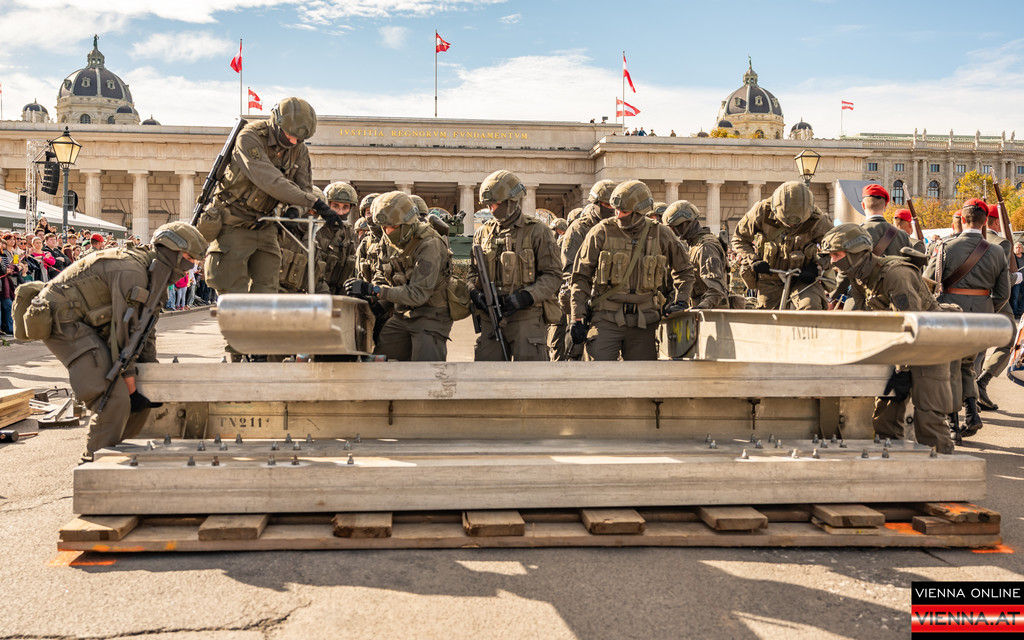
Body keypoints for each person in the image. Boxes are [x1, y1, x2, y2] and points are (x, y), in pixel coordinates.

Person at [28, 222, 207, 460]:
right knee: (113, 396)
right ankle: (95, 463)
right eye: (189, 258)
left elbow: (145, 329)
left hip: (93, 320)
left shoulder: (154, 274)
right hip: (64, 319)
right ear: (171, 252)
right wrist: (131, 387)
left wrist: (150, 373)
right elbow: (124, 333)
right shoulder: (132, 271)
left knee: (142, 390)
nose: (192, 265)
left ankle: (118, 455)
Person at [821, 223, 953, 454]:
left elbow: (912, 324)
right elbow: (864, 318)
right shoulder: (859, 275)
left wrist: (902, 370)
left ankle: (943, 468)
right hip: (899, 349)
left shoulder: (895, 275)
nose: (832, 262)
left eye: (836, 255)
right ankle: (892, 467)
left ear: (855, 253)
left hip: (929, 345)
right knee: (884, 421)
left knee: (929, 419)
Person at [199, 97, 337, 301]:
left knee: (268, 292)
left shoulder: (299, 148)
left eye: (299, 139)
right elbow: (270, 180)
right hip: (234, 221)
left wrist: (295, 210)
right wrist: (314, 203)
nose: (293, 142)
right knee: (233, 294)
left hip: (266, 224)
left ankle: (258, 322)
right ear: (277, 123)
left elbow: (304, 188)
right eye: (290, 136)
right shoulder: (250, 137)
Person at [569, 179, 694, 360]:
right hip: (605, 318)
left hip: (645, 321)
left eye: (624, 211)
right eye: (616, 210)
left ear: (639, 212)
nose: (618, 215)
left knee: (641, 375)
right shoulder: (601, 232)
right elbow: (581, 276)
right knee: (599, 373)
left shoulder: (661, 233)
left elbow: (684, 270)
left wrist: (681, 301)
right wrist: (577, 317)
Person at [924, 198, 1009, 438]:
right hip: (981, 315)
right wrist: (986, 310)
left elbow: (927, 282)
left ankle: (952, 423)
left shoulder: (945, 247)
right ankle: (971, 413)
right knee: (968, 365)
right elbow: (1003, 293)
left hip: (950, 312)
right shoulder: (997, 251)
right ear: (985, 222)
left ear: (962, 219)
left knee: (948, 367)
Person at [343, 191, 454, 361]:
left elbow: (418, 294)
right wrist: (372, 300)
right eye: (384, 227)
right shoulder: (388, 237)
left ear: (407, 222)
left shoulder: (430, 243)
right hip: (403, 312)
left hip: (431, 313)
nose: (387, 232)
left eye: (392, 227)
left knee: (426, 366)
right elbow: (383, 274)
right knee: (382, 359)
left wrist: (376, 290)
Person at [469, 170, 561, 361]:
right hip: (490, 316)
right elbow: (472, 272)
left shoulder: (537, 231)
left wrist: (527, 296)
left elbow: (553, 275)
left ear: (511, 202)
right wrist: (474, 292)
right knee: (486, 372)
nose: (491, 210)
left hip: (526, 316)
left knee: (529, 374)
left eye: (495, 204)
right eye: (488, 205)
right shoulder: (483, 233)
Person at [731, 181, 831, 310]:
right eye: (786, 221)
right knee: (769, 316)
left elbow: (836, 249)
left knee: (811, 307)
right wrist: (753, 259)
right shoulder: (761, 211)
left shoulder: (818, 219)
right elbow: (739, 238)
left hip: (803, 277)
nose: (792, 225)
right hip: (769, 277)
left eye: (797, 223)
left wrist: (817, 266)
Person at [974, 203, 1023, 411]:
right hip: (993, 299)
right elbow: (1000, 277)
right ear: (996, 222)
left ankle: (973, 391)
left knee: (977, 346)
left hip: (964, 300)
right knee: (1010, 340)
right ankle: (982, 381)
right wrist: (1017, 277)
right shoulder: (1001, 243)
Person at [664, 200, 728, 310]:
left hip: (712, 313)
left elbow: (716, 290)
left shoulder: (705, 247)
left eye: (674, 227)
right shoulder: (693, 246)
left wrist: (700, 308)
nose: (672, 232)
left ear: (685, 224)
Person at [1011, 242, 1024, 319]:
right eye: (1016, 247)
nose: (1018, 249)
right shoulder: (1012, 258)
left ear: (1022, 249)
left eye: (1019, 247)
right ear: (1013, 249)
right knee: (1015, 297)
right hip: (1017, 280)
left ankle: (1020, 312)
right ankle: (1015, 313)